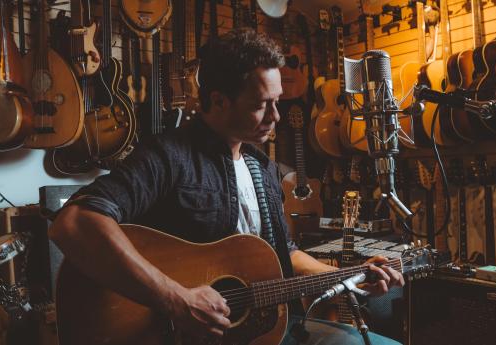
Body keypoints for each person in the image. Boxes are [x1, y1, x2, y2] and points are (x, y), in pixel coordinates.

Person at [49, 28, 404, 345]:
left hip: (258, 331)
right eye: (260, 105)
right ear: (218, 100)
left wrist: (349, 277)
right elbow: (74, 223)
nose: (275, 117)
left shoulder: (262, 167)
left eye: (277, 102)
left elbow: (284, 254)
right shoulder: (169, 156)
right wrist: (177, 300)